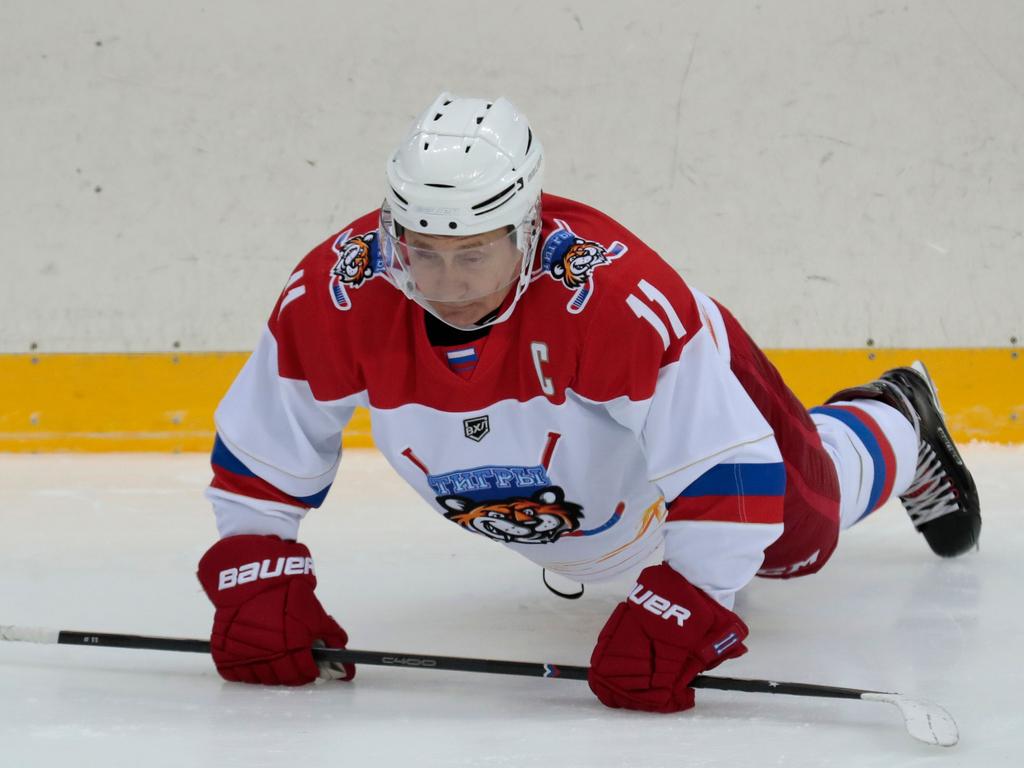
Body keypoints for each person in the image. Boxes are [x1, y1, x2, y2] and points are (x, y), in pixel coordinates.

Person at [196, 93, 981, 711]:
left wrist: (689, 603)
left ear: (529, 228)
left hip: (696, 407)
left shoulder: (617, 302)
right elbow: (267, 448)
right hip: (574, 480)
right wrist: (256, 573)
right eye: (422, 254)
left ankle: (897, 415)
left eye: (474, 253)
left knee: (794, 544)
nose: (447, 284)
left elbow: (730, 477)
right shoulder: (338, 294)